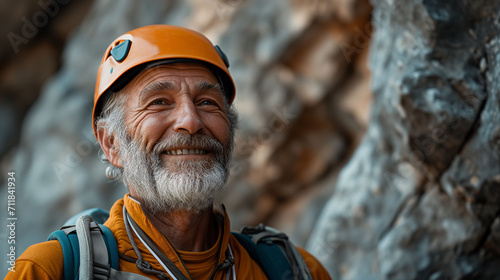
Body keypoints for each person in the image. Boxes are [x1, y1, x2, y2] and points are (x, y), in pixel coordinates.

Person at [5, 25, 331, 280]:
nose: (190, 122)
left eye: (207, 102)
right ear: (111, 143)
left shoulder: (292, 271)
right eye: (159, 102)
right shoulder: (51, 270)